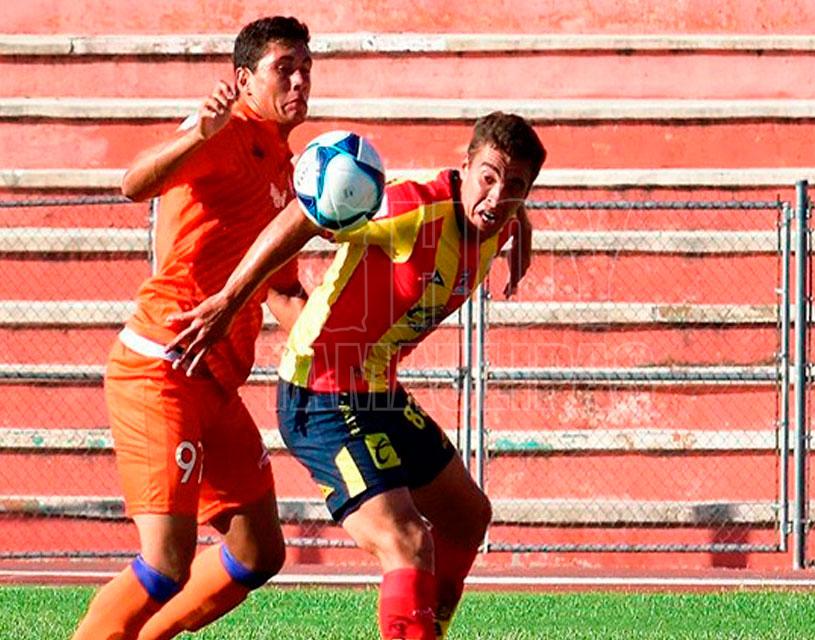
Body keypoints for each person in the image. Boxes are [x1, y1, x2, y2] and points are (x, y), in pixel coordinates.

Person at [165, 111, 547, 639]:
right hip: (320, 392)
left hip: (377, 391)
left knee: (467, 516)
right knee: (407, 542)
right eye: (488, 177)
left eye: (515, 188)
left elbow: (507, 205)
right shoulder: (412, 208)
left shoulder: (499, 216)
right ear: (464, 166)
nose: (497, 196)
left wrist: (521, 230)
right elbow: (305, 215)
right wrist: (229, 301)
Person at [71, 16, 313, 640]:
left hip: (216, 383)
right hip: (164, 365)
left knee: (259, 550)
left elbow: (282, 291)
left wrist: (338, 348)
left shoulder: (284, 167)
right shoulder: (224, 132)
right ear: (244, 79)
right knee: (165, 563)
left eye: (305, 67)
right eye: (283, 68)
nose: (299, 79)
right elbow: (133, 183)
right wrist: (196, 133)